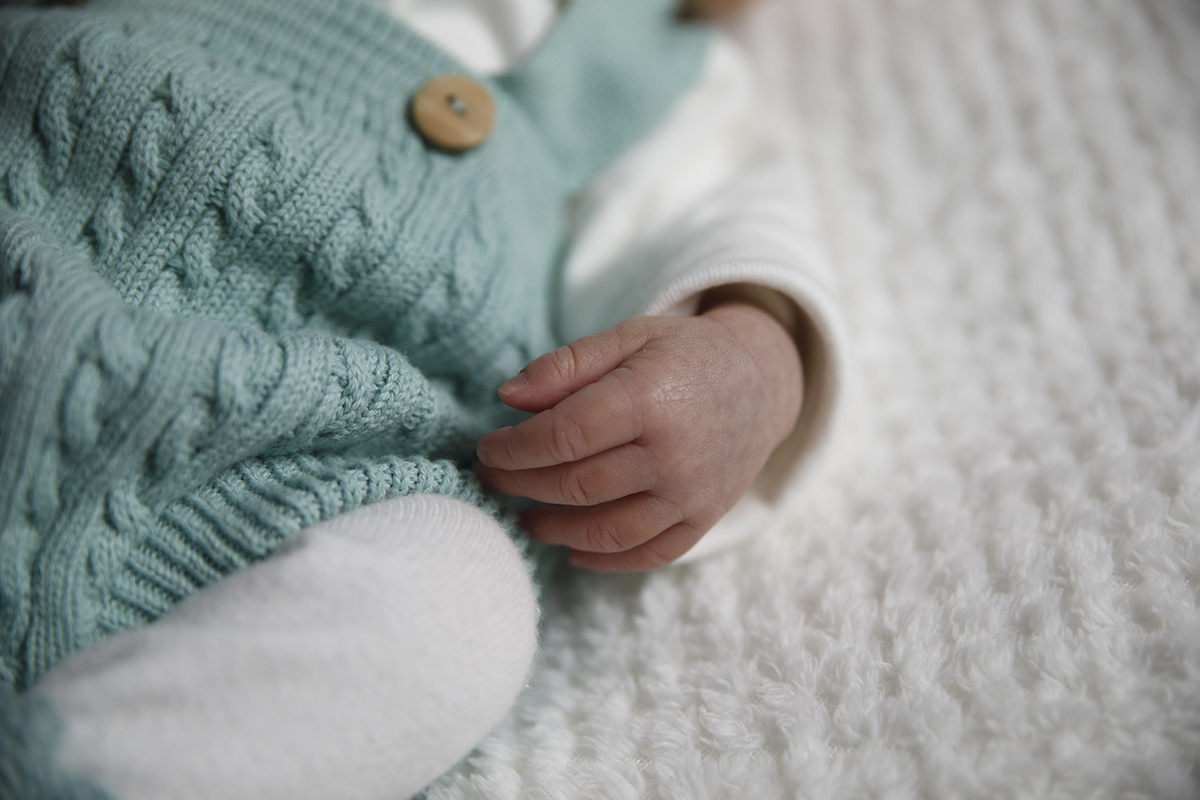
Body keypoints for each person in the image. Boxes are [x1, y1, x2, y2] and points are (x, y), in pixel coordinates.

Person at [0, 0, 845, 797]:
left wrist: (751, 358)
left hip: (305, 453)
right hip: (36, 231)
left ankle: (103, 767)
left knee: (461, 607)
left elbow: (726, 224)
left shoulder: (656, 69)